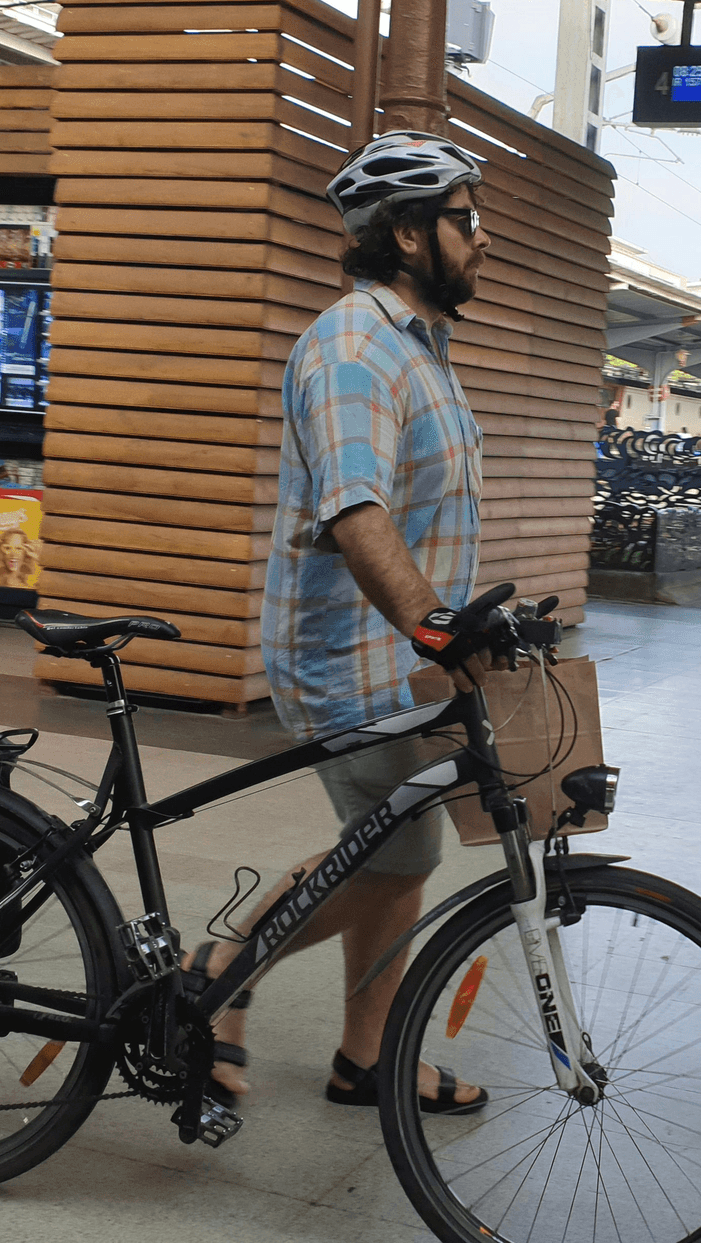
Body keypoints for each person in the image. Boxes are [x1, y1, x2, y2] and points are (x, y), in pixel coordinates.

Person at [184, 132, 492, 1118]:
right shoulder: (355, 350)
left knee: (397, 852)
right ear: (405, 233)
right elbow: (357, 511)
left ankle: (367, 1059)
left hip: (404, 658)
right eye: (462, 218)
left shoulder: (417, 349)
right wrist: (431, 626)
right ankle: (217, 970)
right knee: (395, 852)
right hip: (350, 652)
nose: (480, 238)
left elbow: (420, 512)